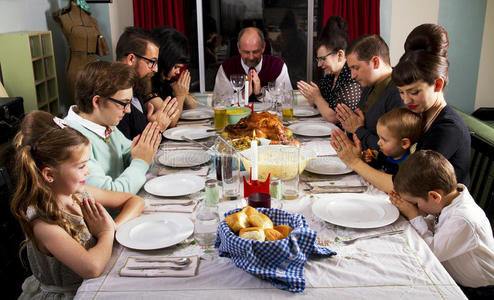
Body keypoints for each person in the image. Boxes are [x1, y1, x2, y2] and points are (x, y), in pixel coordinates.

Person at [12, 111, 145, 299]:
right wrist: (105, 234)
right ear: (49, 174)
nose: (88, 171)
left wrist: (112, 227)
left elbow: (135, 201)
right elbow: (91, 267)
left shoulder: (78, 193)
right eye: (81, 166)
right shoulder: (43, 222)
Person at [390, 150, 494, 299]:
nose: (416, 207)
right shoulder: (448, 201)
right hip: (455, 274)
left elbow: (430, 253)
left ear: (434, 196)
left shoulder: (463, 219)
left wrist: (413, 215)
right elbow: (433, 224)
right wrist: (408, 214)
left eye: (416, 203)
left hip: (479, 287)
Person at [65, 61, 161, 194]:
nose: (128, 110)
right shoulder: (72, 141)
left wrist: (144, 152)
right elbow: (111, 193)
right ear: (97, 101)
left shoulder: (103, 122)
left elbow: (132, 155)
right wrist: (140, 162)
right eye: (124, 103)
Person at [392, 23, 470, 185]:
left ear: (438, 84)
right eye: (401, 92)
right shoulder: (422, 114)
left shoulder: (448, 129)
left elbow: (409, 182)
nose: (406, 100)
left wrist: (355, 162)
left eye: (414, 92)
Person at [335, 34, 404, 150]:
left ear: (375, 62)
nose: (352, 75)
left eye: (356, 68)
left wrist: (358, 130)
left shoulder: (399, 94)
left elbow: (393, 149)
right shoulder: (369, 84)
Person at [330, 107, 421, 192]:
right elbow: (378, 163)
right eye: (379, 137)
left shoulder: (407, 167)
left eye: (384, 140)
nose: (378, 143)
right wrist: (368, 158)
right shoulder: (386, 153)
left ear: (404, 143)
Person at [115, 27, 179, 140]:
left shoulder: (136, 87)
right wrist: (156, 129)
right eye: (152, 62)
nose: (156, 69)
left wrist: (150, 125)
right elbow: (126, 153)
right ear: (131, 59)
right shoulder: (114, 97)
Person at [297, 15, 361, 123]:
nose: (319, 65)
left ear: (340, 55)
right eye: (318, 60)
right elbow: (318, 104)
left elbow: (333, 116)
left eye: (322, 59)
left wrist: (316, 97)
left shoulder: (352, 77)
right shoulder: (331, 75)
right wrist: (311, 96)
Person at [213, 27, 292, 103]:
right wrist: (243, 95)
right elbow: (218, 102)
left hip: (270, 116)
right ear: (239, 48)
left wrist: (261, 93)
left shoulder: (277, 66)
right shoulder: (226, 67)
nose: (251, 57)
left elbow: (288, 101)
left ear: (263, 48)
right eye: (246, 52)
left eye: (255, 52)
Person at [52, 0, 109, 102]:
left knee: (96, 101)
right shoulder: (64, 18)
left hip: (93, 66)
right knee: (78, 102)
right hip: (75, 65)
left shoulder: (92, 21)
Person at [150, 26, 197, 127]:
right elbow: (171, 122)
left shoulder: (167, 81)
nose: (178, 72)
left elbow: (192, 106)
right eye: (175, 67)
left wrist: (184, 92)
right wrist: (180, 95)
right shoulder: (148, 85)